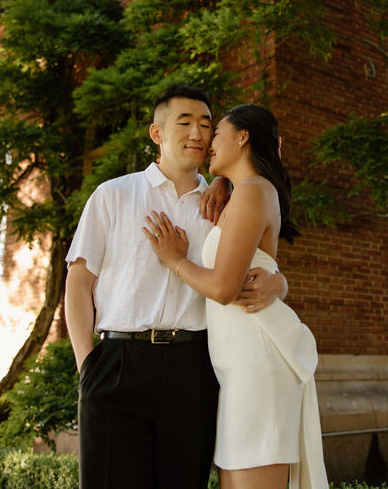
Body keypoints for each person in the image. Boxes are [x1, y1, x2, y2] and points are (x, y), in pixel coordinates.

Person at [64, 85, 289, 489]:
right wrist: (88, 367)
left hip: (194, 367)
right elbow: (78, 284)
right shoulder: (112, 195)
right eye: (185, 123)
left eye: (206, 124)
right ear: (157, 133)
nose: (198, 134)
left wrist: (279, 283)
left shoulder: (225, 204)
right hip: (118, 362)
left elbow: (260, 262)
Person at [144, 104, 328, 489]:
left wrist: (175, 260)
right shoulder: (244, 192)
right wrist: (223, 182)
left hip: (257, 365)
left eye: (218, 133)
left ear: (243, 137)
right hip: (240, 368)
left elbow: (226, 289)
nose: (209, 142)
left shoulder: (254, 192)